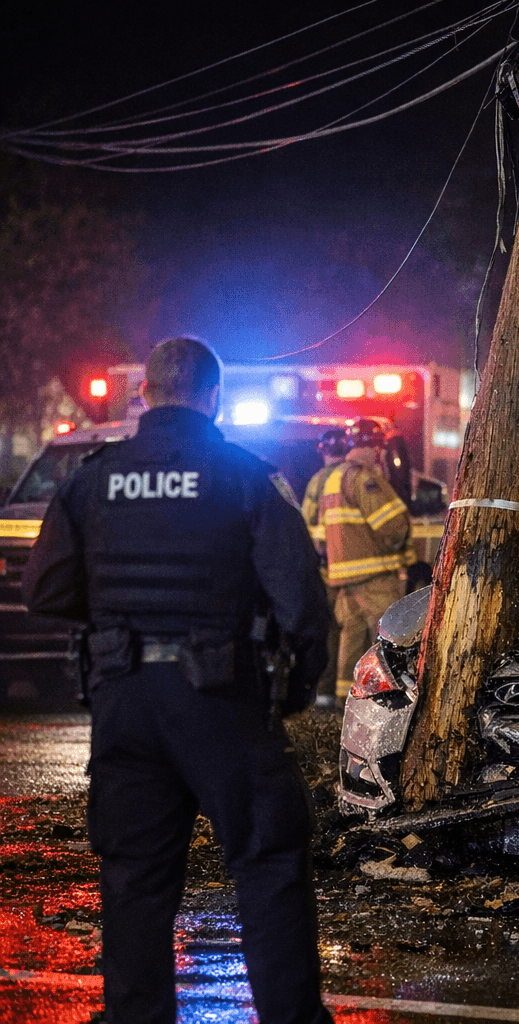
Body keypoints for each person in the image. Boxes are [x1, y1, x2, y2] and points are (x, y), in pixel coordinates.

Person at [21, 337, 333, 1024]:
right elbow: (303, 605)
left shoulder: (93, 478)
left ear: (144, 395)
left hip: (124, 699)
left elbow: (42, 589)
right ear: (214, 397)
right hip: (224, 697)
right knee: (268, 863)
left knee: (134, 878)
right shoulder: (246, 477)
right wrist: (297, 688)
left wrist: (115, 620)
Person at [323, 417, 410, 700]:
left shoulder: (334, 478)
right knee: (389, 645)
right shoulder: (365, 478)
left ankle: (343, 705)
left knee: (351, 646)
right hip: (375, 581)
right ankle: (386, 703)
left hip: (346, 583)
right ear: (376, 448)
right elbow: (392, 525)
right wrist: (401, 541)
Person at [300, 428, 349, 708]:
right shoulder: (357, 477)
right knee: (351, 632)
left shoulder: (318, 482)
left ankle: (325, 694)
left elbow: (307, 523)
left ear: (322, 451)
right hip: (354, 573)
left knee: (329, 631)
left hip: (325, 569)